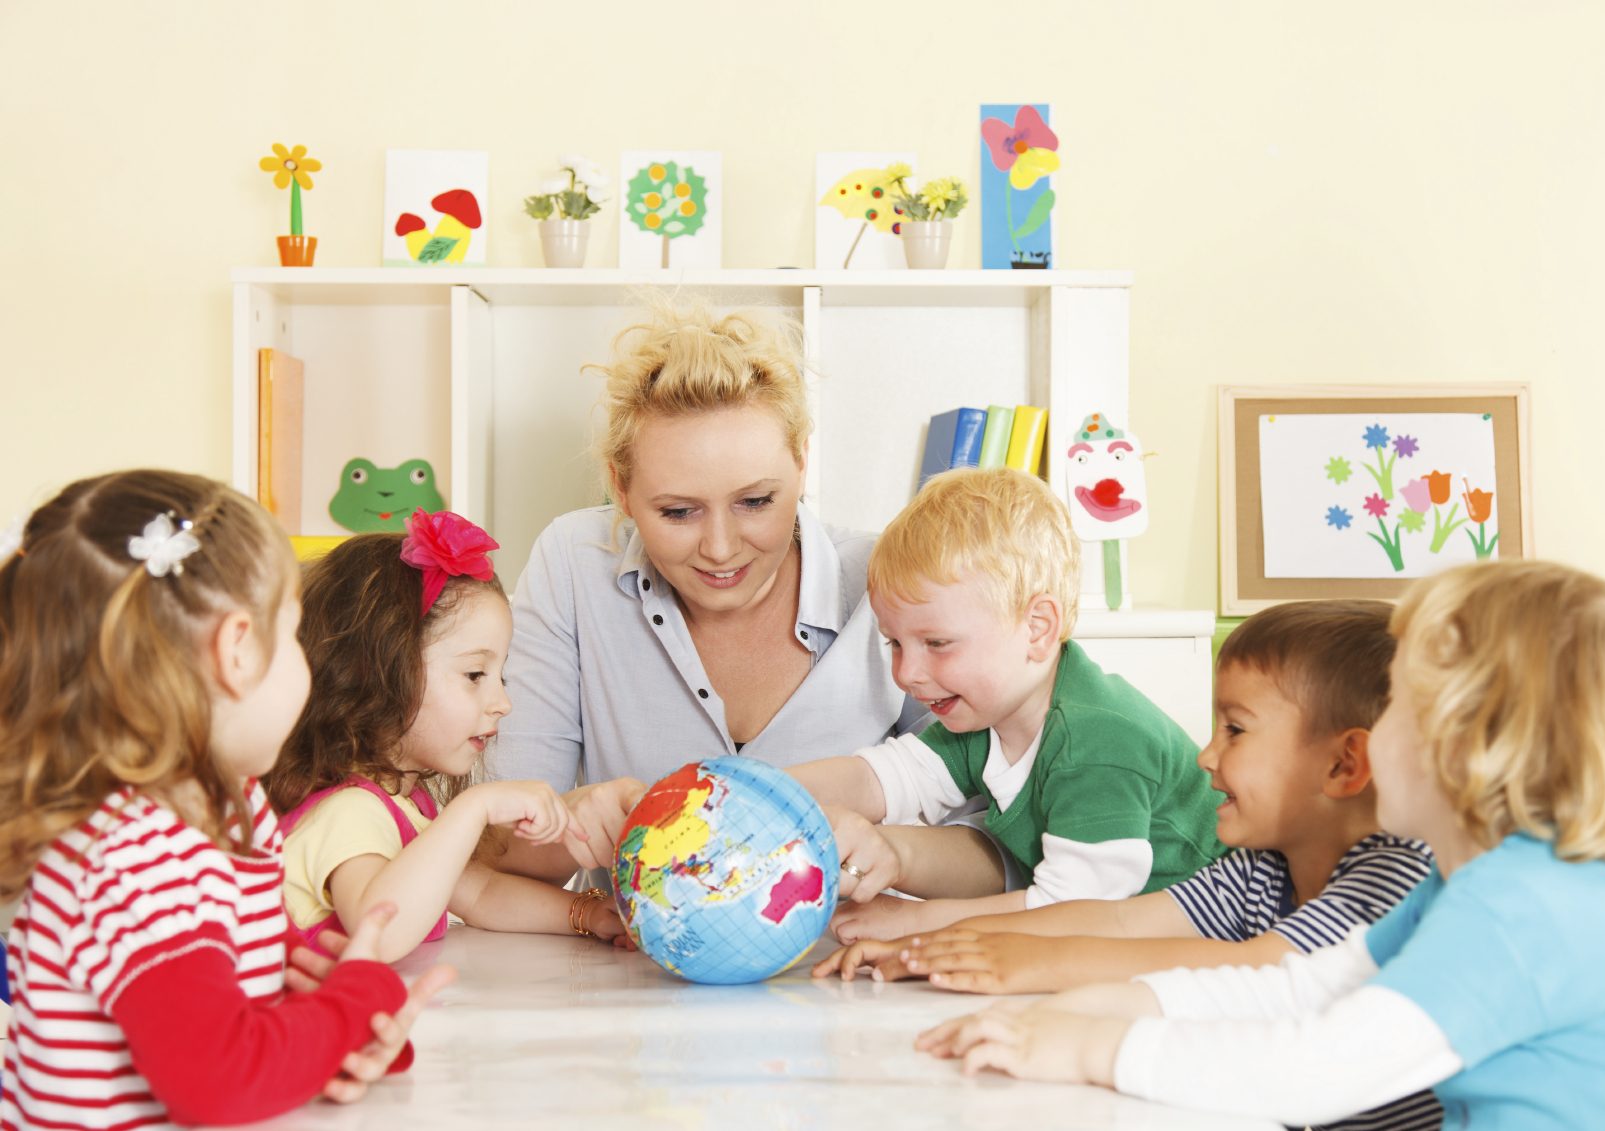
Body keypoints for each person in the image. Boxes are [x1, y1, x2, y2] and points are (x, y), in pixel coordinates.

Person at [921, 560, 1605, 1131]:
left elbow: (1323, 1066)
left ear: (1474, 743)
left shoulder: (1523, 910)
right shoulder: (1476, 884)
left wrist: (1092, 1047)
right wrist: (1076, 1010)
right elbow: (1296, 989)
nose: (1376, 730)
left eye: (1399, 701)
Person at [493, 298, 1006, 898]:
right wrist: (572, 820)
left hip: (856, 974)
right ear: (621, 488)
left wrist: (894, 850)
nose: (719, 548)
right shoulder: (573, 565)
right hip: (634, 977)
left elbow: (1006, 845)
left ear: (801, 463)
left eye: (755, 502)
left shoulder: (888, 583)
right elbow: (497, 852)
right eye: (678, 512)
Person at [0, 470, 451, 1130]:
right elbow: (217, 1081)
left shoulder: (219, 817)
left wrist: (353, 1030)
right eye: (293, 635)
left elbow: (245, 1013)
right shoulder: (137, 852)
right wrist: (353, 1004)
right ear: (236, 649)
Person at [816, 599, 1432, 991]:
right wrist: (935, 948)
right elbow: (1118, 919)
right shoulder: (1258, 871)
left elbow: (1264, 969)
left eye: (1235, 731)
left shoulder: (1400, 878)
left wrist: (1023, 962)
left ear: (1344, 764)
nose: (1206, 756)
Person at [791, 467, 1224, 942]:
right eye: (894, 643)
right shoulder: (986, 718)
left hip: (1220, 945)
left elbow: (1072, 912)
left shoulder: (1097, 739)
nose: (906, 672)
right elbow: (882, 777)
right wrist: (760, 792)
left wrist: (913, 922)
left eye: (936, 642)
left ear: (1037, 629)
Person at [266, 510, 627, 962]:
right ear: (378, 672)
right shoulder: (349, 811)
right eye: (475, 674)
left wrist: (587, 914)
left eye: (502, 676)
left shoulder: (404, 804)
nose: (503, 703)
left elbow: (482, 894)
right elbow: (378, 933)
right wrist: (474, 808)